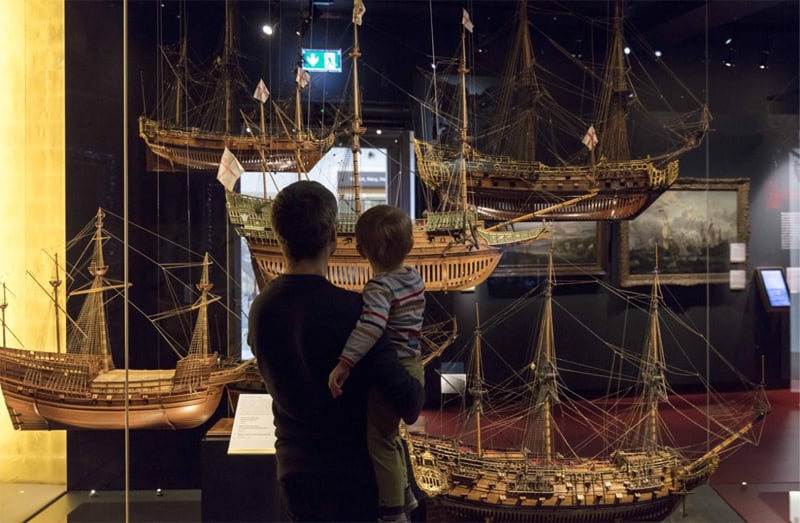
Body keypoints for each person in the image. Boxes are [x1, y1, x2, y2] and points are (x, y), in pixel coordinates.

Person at [248, 181, 425, 522]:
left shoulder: (261, 309)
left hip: (296, 475)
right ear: (332, 235)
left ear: (278, 235)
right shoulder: (352, 312)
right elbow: (409, 402)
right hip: (353, 483)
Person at [328, 205, 425, 522]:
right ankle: (406, 493)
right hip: (413, 363)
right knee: (392, 435)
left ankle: (392, 510)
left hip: (393, 366)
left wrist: (345, 362)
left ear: (359, 249)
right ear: (409, 246)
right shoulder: (413, 278)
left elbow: (371, 327)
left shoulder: (379, 288)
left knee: (379, 441)